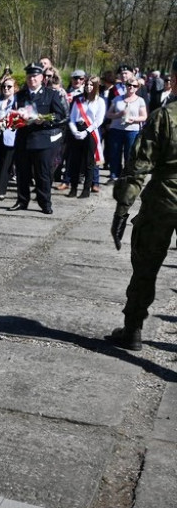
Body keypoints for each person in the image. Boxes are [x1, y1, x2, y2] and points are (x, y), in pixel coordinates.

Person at [106, 64, 177, 352]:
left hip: (163, 199)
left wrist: (122, 208)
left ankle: (133, 327)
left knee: (146, 264)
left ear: (173, 79)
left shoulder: (164, 117)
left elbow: (138, 166)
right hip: (164, 195)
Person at [7, 63, 68, 215]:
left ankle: (45, 202)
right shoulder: (20, 95)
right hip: (23, 139)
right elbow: (12, 115)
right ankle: (22, 201)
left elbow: (60, 115)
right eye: (29, 76)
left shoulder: (51, 94)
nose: (32, 79)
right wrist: (14, 121)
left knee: (43, 174)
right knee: (22, 173)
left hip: (42, 140)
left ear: (41, 78)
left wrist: (45, 120)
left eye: (35, 76)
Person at [66, 75, 106, 198]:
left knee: (89, 163)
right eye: (87, 84)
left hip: (90, 133)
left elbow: (98, 121)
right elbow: (72, 117)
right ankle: (73, 189)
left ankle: (86, 190)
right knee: (74, 162)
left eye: (91, 85)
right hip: (77, 132)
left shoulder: (100, 101)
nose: (89, 87)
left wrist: (86, 131)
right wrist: (74, 131)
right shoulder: (78, 99)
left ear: (96, 86)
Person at [105, 75, 148, 184]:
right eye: (129, 85)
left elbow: (144, 117)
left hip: (132, 131)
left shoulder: (140, 100)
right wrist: (119, 114)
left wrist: (134, 119)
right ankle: (114, 175)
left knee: (129, 154)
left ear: (137, 88)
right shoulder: (117, 99)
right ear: (125, 86)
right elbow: (108, 114)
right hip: (116, 130)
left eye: (134, 86)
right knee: (115, 153)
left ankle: (127, 176)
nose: (131, 87)